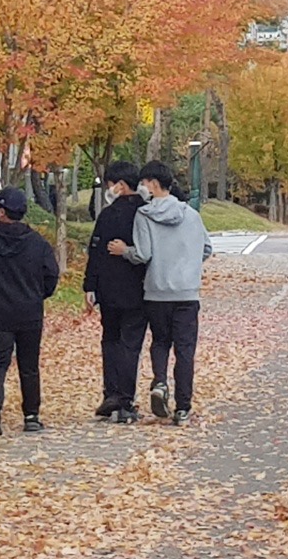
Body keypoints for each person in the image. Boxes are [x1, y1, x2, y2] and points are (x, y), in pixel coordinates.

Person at [108, 160, 212, 425]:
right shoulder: (191, 215)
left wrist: (125, 251)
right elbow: (207, 248)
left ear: (153, 184)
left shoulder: (144, 215)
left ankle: (160, 382)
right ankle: (183, 407)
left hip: (156, 291)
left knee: (161, 342)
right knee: (185, 350)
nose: (142, 187)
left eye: (144, 183)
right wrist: (188, 266)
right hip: (187, 293)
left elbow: (143, 254)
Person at [0, 186, 60, 436]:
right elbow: (51, 274)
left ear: (2, 211)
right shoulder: (37, 243)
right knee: (29, 365)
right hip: (29, 312)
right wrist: (39, 294)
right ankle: (31, 415)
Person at [82, 161, 147, 423]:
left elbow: (95, 252)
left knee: (110, 340)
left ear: (120, 185)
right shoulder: (145, 212)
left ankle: (111, 393)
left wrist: (90, 286)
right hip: (138, 289)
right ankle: (125, 400)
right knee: (131, 344)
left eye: (110, 184)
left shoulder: (107, 215)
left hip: (108, 289)